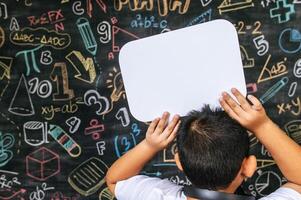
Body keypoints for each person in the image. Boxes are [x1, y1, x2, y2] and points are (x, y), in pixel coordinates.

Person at [106, 88, 301, 199]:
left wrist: (149, 146)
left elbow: (115, 181)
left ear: (179, 163)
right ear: (249, 166)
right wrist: (262, 125)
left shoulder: (157, 196)